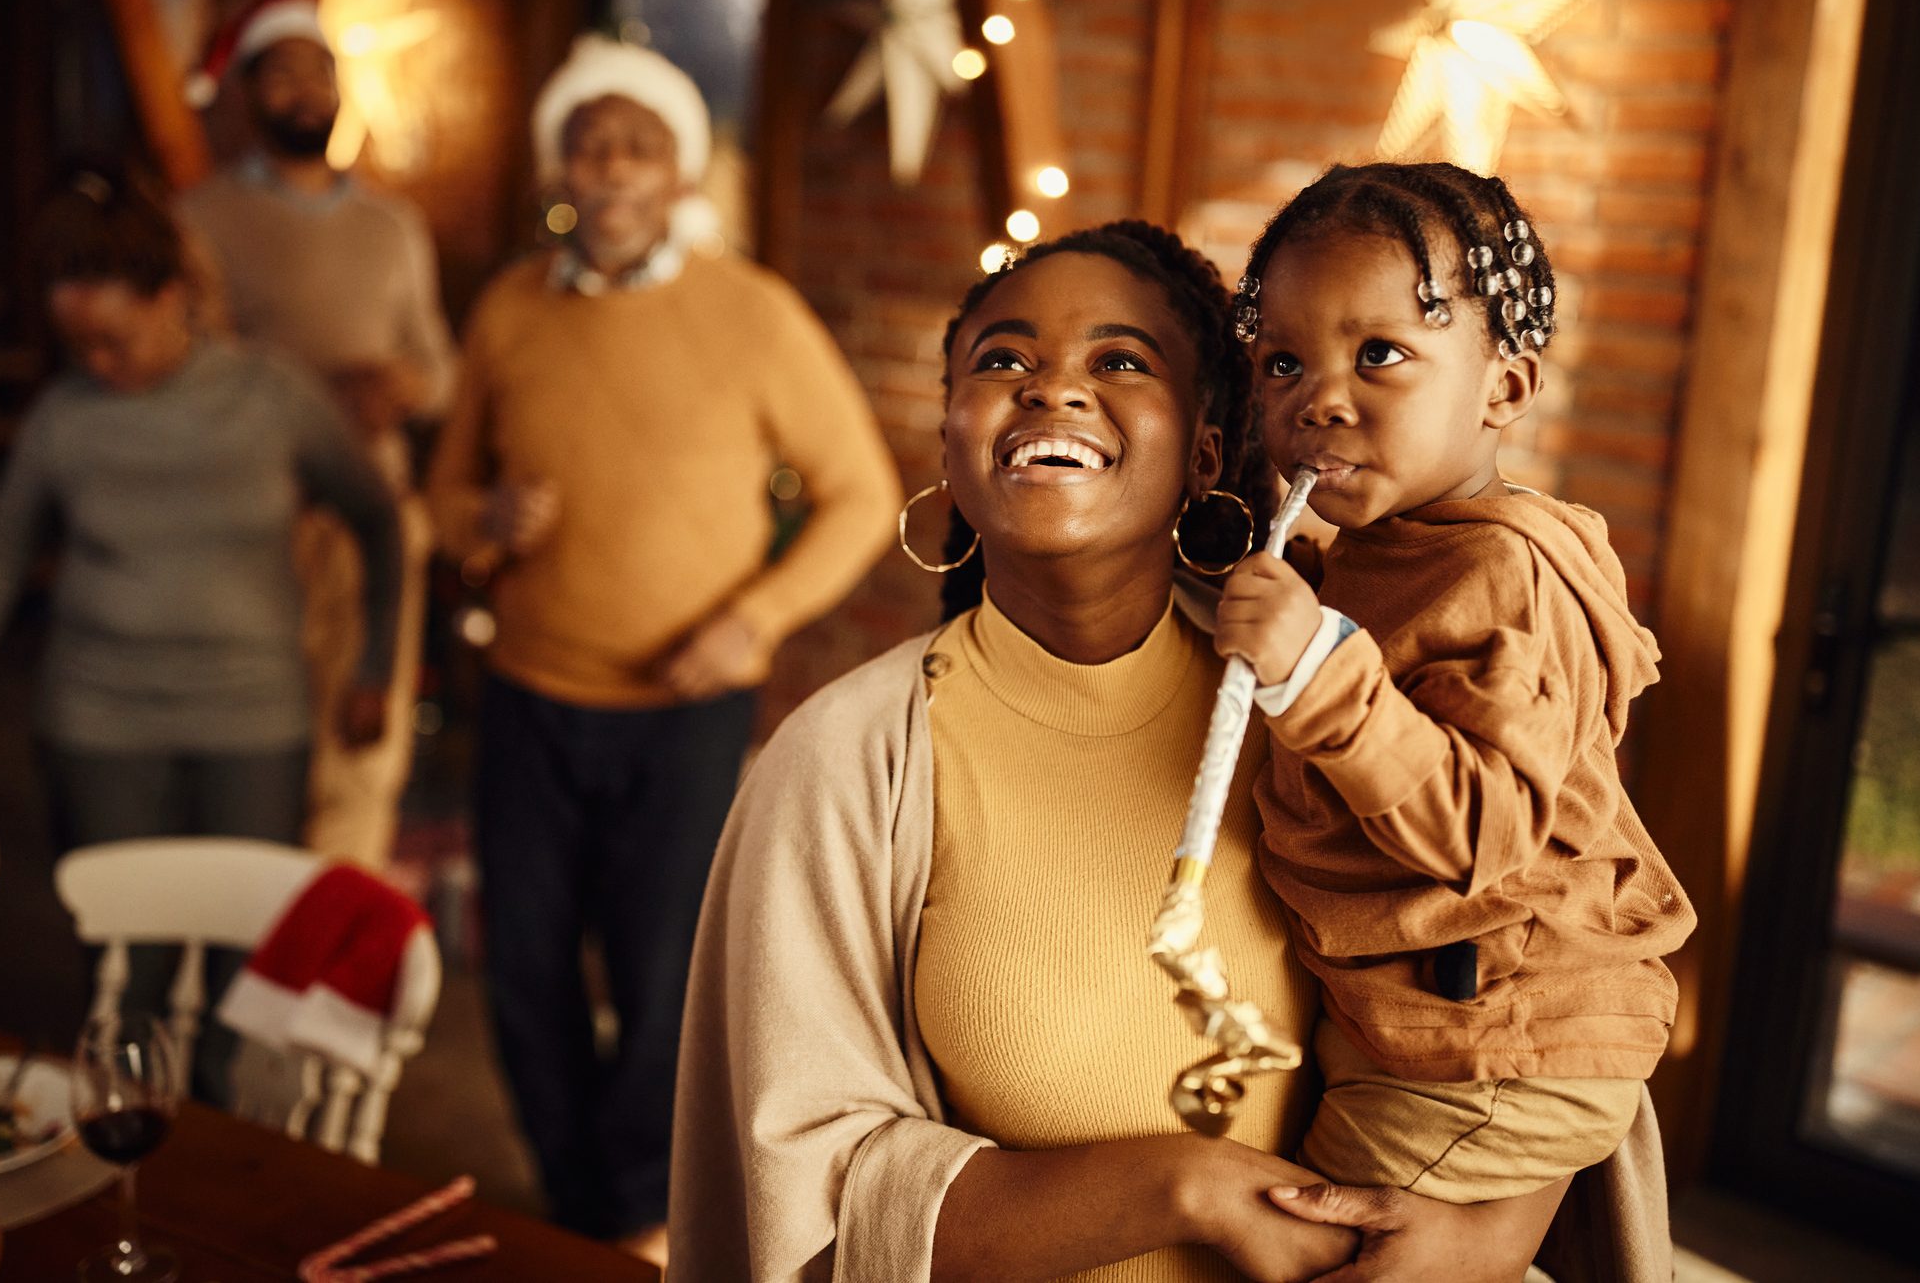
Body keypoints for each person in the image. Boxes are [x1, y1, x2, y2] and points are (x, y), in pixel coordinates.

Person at [669, 220, 1675, 1281]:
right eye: (1003, 359)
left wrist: (1493, 1227)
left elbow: (1555, 938)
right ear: (950, 444)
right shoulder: (840, 764)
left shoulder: (1340, 677)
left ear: (1204, 450)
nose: (1051, 388)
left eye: (1118, 361)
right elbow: (803, 1212)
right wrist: (1183, 1187)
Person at [425, 36, 901, 1254]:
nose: (614, 166)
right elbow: (441, 496)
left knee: (658, 984)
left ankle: (636, 1212)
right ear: (564, 166)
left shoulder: (751, 311)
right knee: (522, 972)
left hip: (683, 713)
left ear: (680, 170)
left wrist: (754, 616)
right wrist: (481, 523)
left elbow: (856, 492)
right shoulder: (510, 307)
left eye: (640, 145)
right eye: (592, 142)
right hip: (529, 697)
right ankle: (571, 1199)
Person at [1212, 161, 1696, 1205]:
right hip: (1430, 1029)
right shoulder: (1387, 548)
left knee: (1309, 1249)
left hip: (1486, 1043)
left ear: (1503, 388)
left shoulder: (1497, 571)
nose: (1317, 402)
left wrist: (1314, 669)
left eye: (1377, 354)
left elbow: (1483, 830)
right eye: (1283, 363)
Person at [0, 166, 401, 1103]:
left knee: (233, 981)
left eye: (113, 340)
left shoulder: (270, 397)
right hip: (98, 728)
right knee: (125, 977)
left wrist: (374, 664)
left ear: (172, 298)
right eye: (75, 344)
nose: (96, 364)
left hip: (254, 726)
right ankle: (131, 1175)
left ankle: (202, 1176)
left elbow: (377, 518)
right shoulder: (64, 419)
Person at [178, 0, 455, 871]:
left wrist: (403, 386)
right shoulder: (200, 218)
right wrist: (303, 397)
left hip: (371, 523)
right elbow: (178, 374)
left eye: (320, 71)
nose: (306, 89)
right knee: (247, 746)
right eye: (283, 71)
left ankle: (325, 970)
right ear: (248, 93)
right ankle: (233, 945)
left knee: (363, 754)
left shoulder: (392, 226)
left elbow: (443, 369)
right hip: (249, 523)